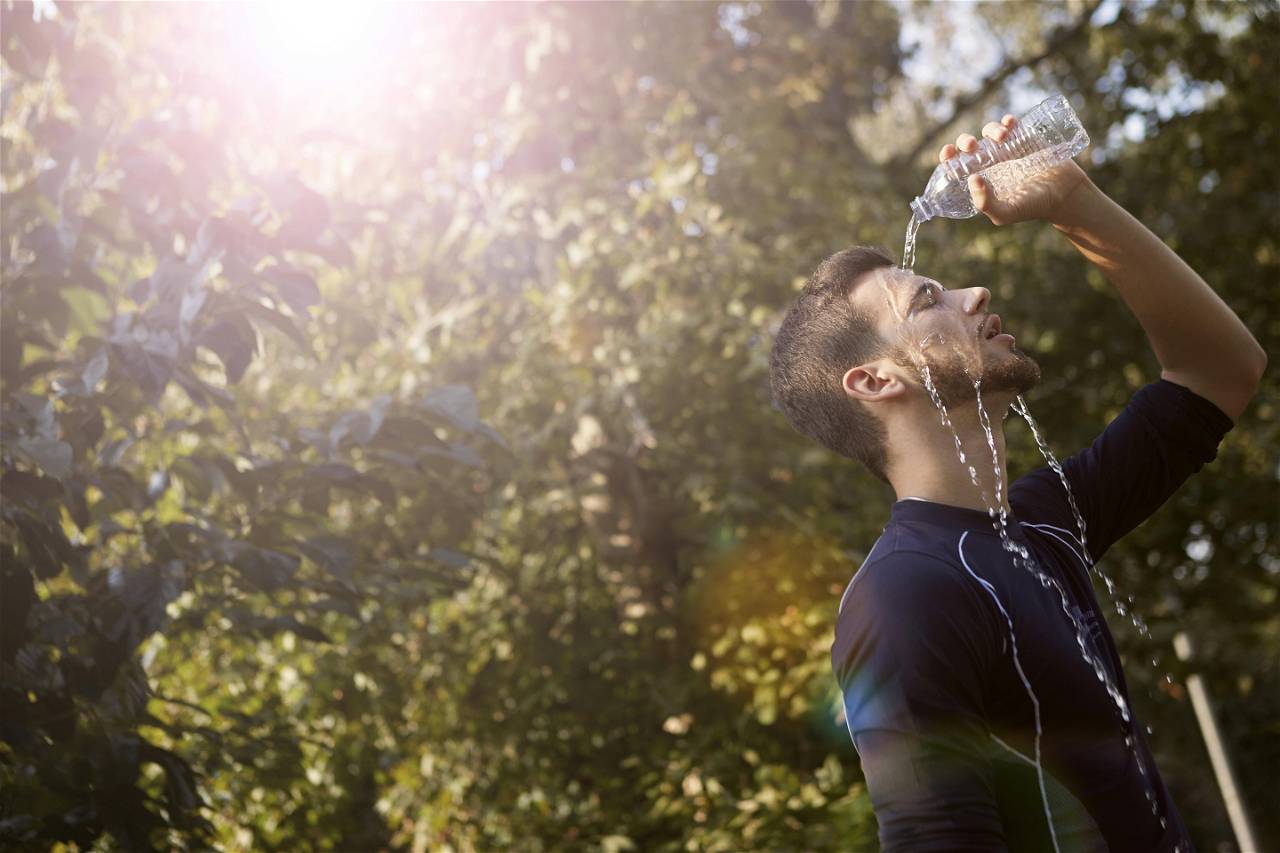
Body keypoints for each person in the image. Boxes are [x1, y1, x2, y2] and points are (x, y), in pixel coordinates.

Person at [768, 114, 1267, 852]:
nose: (973, 293)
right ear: (873, 380)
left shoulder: (1042, 521)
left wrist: (1073, 200)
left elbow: (1218, 371)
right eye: (928, 299)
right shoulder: (903, 597)